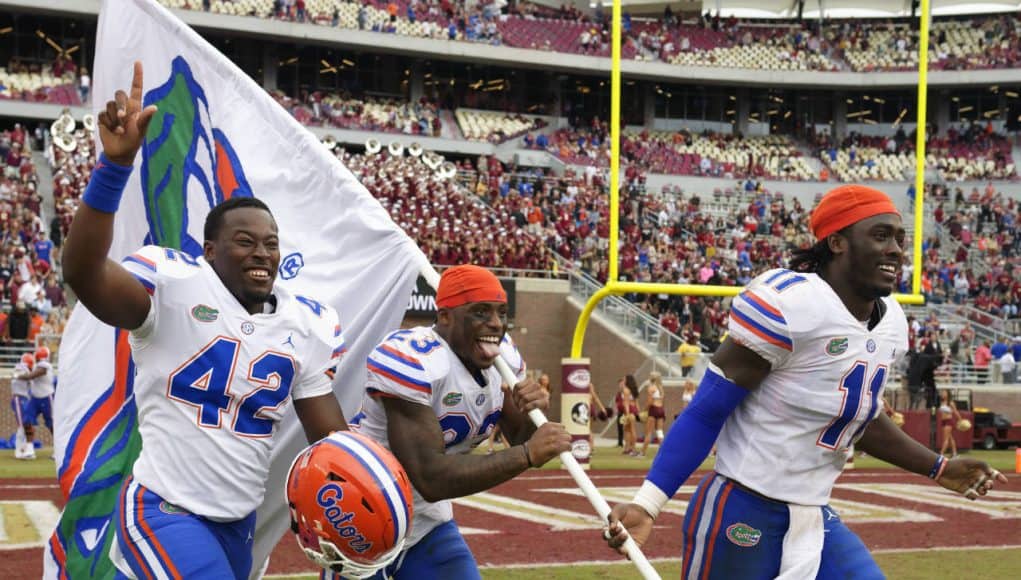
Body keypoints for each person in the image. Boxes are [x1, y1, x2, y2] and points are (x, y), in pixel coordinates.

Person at [605, 185, 1007, 578]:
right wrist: (648, 504)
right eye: (881, 236)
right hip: (743, 508)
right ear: (837, 242)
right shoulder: (790, 305)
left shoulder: (892, 324)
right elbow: (708, 411)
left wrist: (939, 467)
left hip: (813, 516)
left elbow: (856, 417)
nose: (896, 250)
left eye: (900, 239)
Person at [61, 62, 349, 579]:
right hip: (162, 509)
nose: (262, 253)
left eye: (271, 243)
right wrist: (113, 169)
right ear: (210, 250)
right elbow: (83, 272)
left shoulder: (305, 326)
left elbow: (331, 442)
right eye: (245, 241)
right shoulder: (173, 287)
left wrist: (364, 487)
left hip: (237, 521)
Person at [349, 264, 571, 578]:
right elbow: (431, 478)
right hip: (362, 518)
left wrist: (533, 412)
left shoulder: (503, 358)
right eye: (481, 312)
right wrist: (527, 455)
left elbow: (520, 436)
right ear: (445, 317)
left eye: (501, 312)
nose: (496, 324)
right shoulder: (414, 359)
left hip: (427, 523)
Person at [15, 346, 54, 458]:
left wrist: (18, 375)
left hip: (46, 397)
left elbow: (32, 376)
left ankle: (58, 450)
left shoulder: (44, 365)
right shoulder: (37, 365)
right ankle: (30, 448)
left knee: (52, 425)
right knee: (27, 421)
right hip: (35, 397)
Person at [10, 352, 34, 459]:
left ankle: (23, 449)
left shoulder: (23, 369)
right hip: (18, 398)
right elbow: (20, 375)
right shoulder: (22, 367)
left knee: (25, 425)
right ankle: (19, 451)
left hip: (23, 398)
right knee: (22, 425)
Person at [640, 371, 665, 457]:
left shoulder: (651, 387)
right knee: (660, 432)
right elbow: (661, 400)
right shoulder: (660, 387)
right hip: (661, 409)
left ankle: (642, 453)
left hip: (653, 409)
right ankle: (664, 452)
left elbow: (650, 402)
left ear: (651, 378)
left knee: (648, 432)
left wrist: (644, 410)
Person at [618, 375, 640, 456]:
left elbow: (626, 403)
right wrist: (638, 412)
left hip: (629, 410)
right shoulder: (634, 389)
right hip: (633, 409)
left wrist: (627, 414)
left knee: (632, 429)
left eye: (624, 379)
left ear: (627, 380)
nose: (623, 380)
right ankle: (627, 448)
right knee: (627, 429)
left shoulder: (626, 390)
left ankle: (633, 449)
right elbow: (637, 403)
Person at [938, 389, 962, 457]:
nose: (942, 394)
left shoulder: (951, 403)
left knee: (945, 439)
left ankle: (941, 454)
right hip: (943, 421)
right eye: (942, 392)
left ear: (948, 394)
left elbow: (955, 412)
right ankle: (954, 454)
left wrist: (960, 420)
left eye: (944, 392)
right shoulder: (942, 402)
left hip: (948, 421)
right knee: (950, 438)